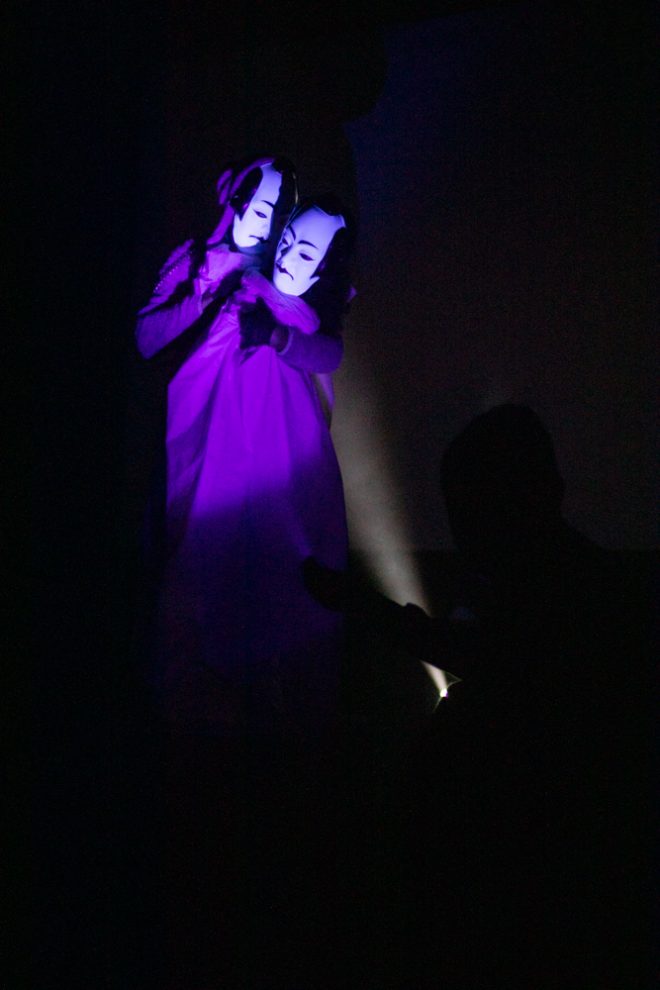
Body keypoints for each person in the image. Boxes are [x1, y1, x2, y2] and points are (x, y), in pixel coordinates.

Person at [139, 191, 355, 744]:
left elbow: (326, 355)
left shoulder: (303, 320)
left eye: (306, 254)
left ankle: (271, 705)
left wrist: (279, 336)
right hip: (224, 447)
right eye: (288, 242)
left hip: (285, 469)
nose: (287, 257)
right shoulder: (244, 289)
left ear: (324, 269)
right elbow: (188, 362)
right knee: (212, 559)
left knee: (280, 570)